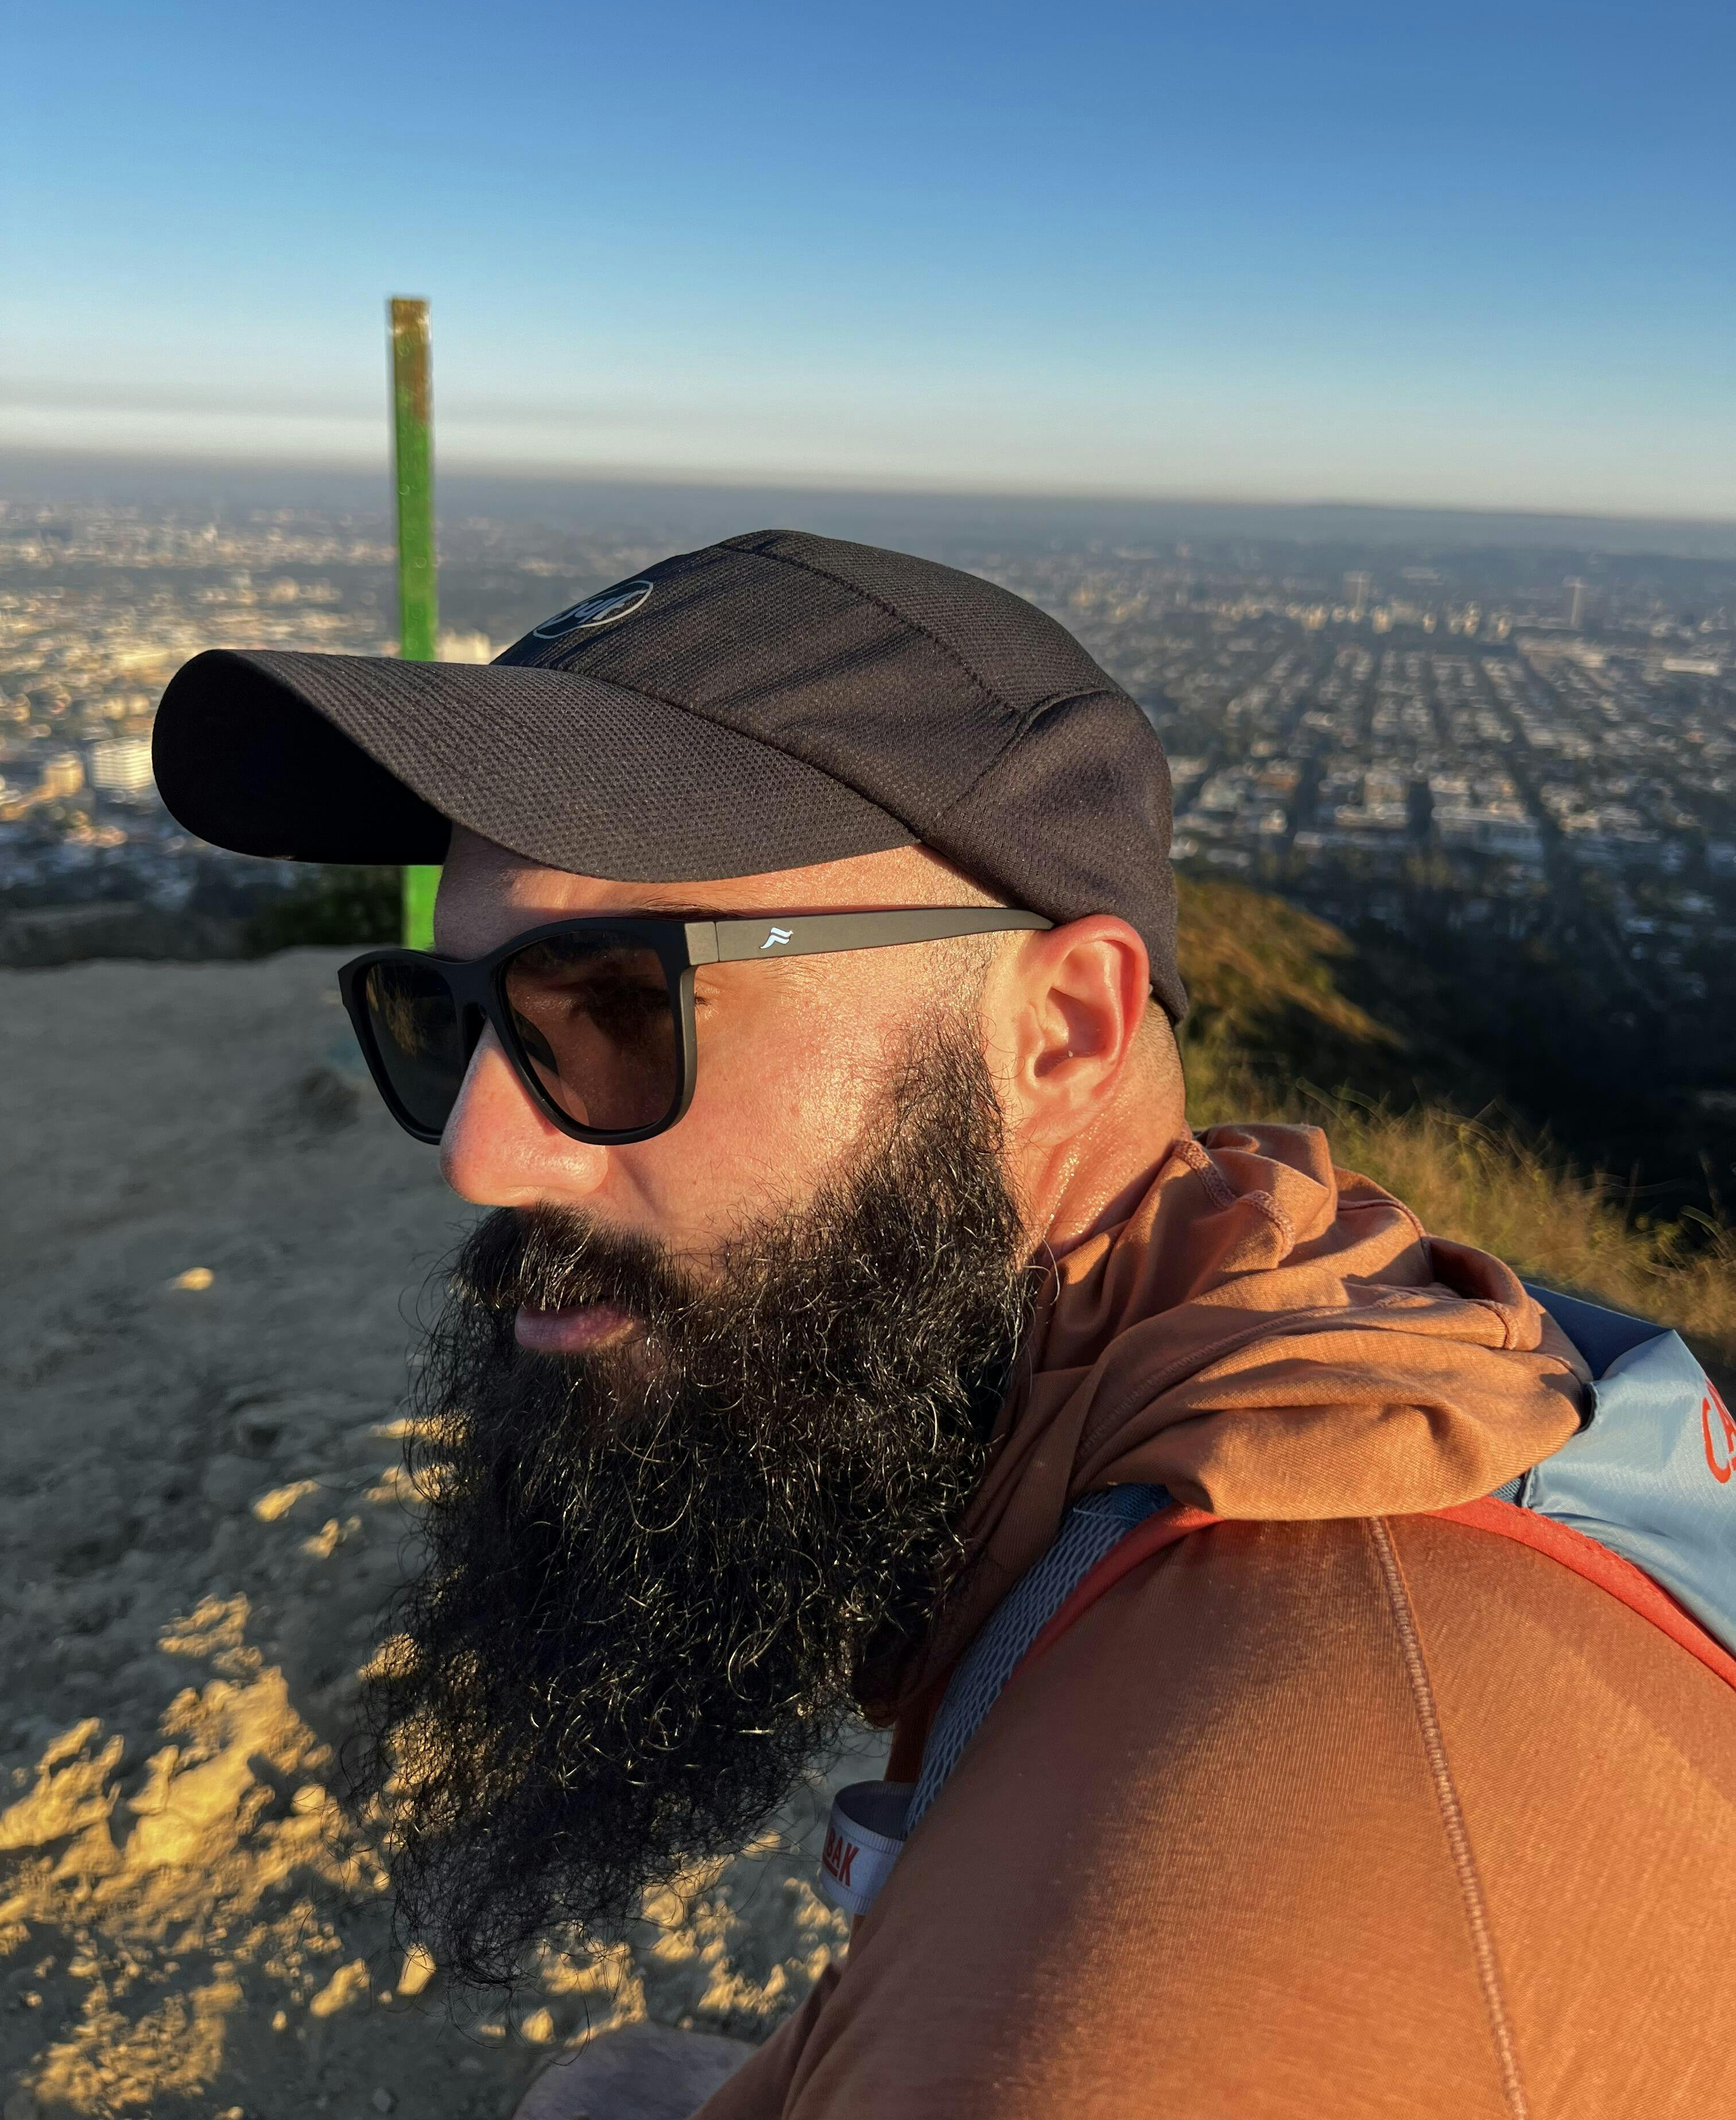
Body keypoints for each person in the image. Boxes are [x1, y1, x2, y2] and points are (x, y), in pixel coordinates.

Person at [153, 529, 1736, 2120]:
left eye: (621, 1006)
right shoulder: (1224, 1285)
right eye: (446, 1022)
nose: (480, 1154)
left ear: (1061, 1033)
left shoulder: (1206, 1914)